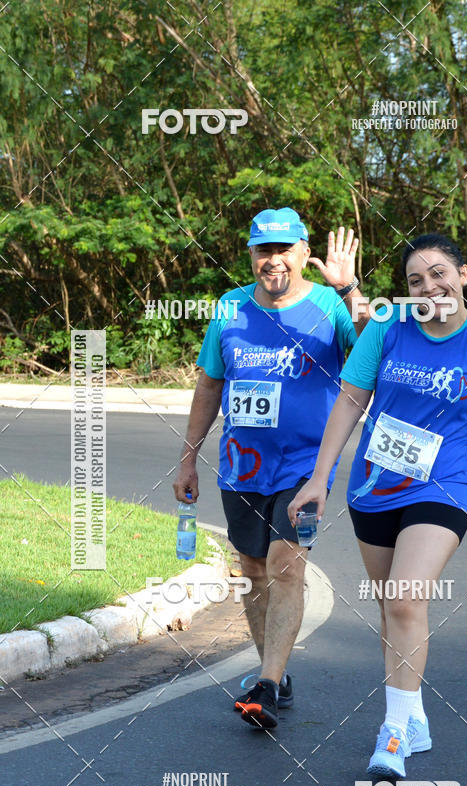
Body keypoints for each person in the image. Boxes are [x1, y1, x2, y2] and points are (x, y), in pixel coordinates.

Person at [288, 232, 467, 778]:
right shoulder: (388, 326)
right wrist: (319, 479)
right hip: (374, 485)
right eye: (416, 280)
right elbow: (348, 401)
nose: (429, 286)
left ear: (462, 274)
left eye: (439, 273)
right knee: (392, 604)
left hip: (445, 483)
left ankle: (392, 734)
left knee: (408, 597)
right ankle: (412, 715)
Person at [173, 207, 369, 730]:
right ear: (252, 255)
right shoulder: (230, 307)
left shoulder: (330, 303)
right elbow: (210, 384)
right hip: (241, 465)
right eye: (264, 250)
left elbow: (371, 347)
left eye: (284, 249)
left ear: (305, 252)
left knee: (287, 564)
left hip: (307, 466)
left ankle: (265, 684)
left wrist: (351, 290)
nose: (273, 260)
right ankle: (273, 676)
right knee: (254, 569)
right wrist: (188, 458)